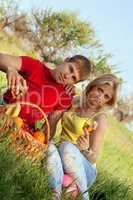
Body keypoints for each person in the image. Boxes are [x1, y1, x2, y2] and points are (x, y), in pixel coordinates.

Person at [46, 74, 119, 200]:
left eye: (106, 96)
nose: (100, 97)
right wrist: (53, 119)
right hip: (63, 156)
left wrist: (84, 149)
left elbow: (93, 157)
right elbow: (50, 132)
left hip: (84, 168)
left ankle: (85, 196)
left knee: (67, 146)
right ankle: (56, 195)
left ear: (108, 101)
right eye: (100, 90)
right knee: (50, 148)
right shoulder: (74, 101)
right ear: (93, 86)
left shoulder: (99, 118)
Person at [0, 53, 91, 125]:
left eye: (73, 78)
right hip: (3, 110)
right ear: (66, 60)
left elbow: (51, 125)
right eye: (70, 69)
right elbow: (1, 58)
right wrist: (11, 69)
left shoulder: (65, 95)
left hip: (22, 128)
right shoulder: (35, 66)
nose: (66, 76)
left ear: (74, 83)